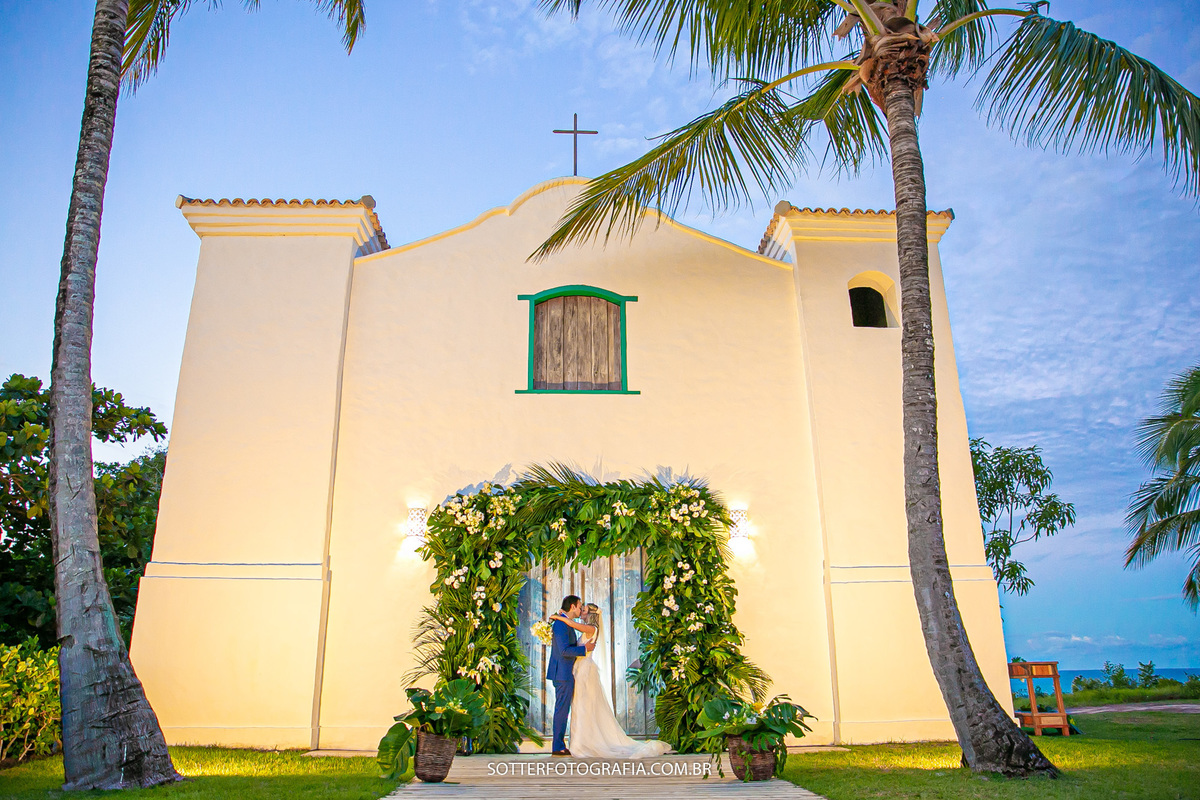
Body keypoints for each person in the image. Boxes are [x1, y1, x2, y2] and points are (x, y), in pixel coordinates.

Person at [550, 603, 672, 758]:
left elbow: (572, 624)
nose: (581, 611)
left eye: (584, 610)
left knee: (582, 706)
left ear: (591, 614)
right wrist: (562, 614)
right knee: (580, 707)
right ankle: (579, 742)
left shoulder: (591, 628)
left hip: (584, 671)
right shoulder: (588, 627)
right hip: (578, 670)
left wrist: (558, 617)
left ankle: (581, 743)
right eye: (580, 608)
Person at [546, 595, 592, 756]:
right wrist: (585, 649)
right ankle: (557, 746)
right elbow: (564, 650)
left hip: (566, 672)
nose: (580, 610)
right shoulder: (560, 624)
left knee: (563, 708)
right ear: (572, 606)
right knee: (562, 709)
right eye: (580, 606)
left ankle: (560, 744)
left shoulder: (564, 622)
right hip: (562, 673)